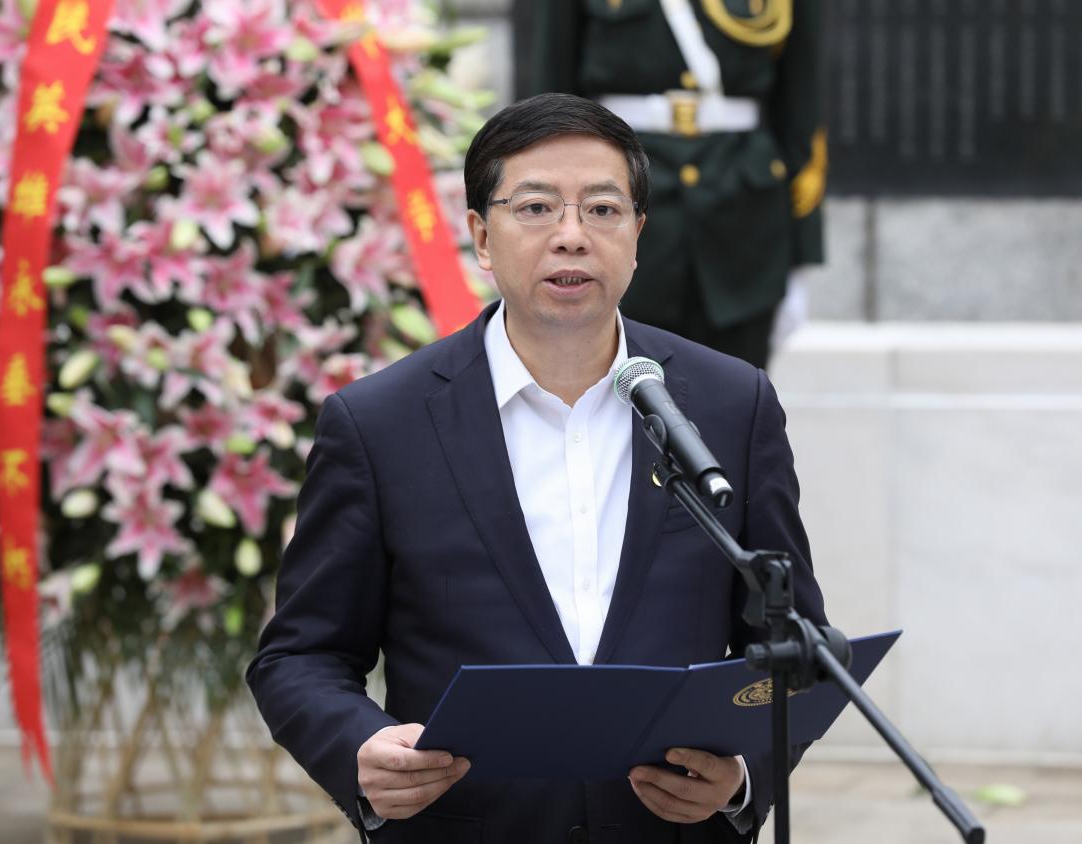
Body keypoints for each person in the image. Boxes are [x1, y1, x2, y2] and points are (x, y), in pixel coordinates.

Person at [247, 92, 827, 843]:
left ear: (637, 235)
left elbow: (793, 641)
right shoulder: (380, 423)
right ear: (481, 237)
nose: (571, 237)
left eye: (603, 210)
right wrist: (360, 747)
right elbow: (302, 653)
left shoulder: (729, 404)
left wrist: (743, 771)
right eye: (536, 208)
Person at [531, 0, 827, 369]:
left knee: (732, 395)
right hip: (619, 209)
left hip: (744, 223)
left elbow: (801, 110)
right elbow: (551, 97)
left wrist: (801, 258)